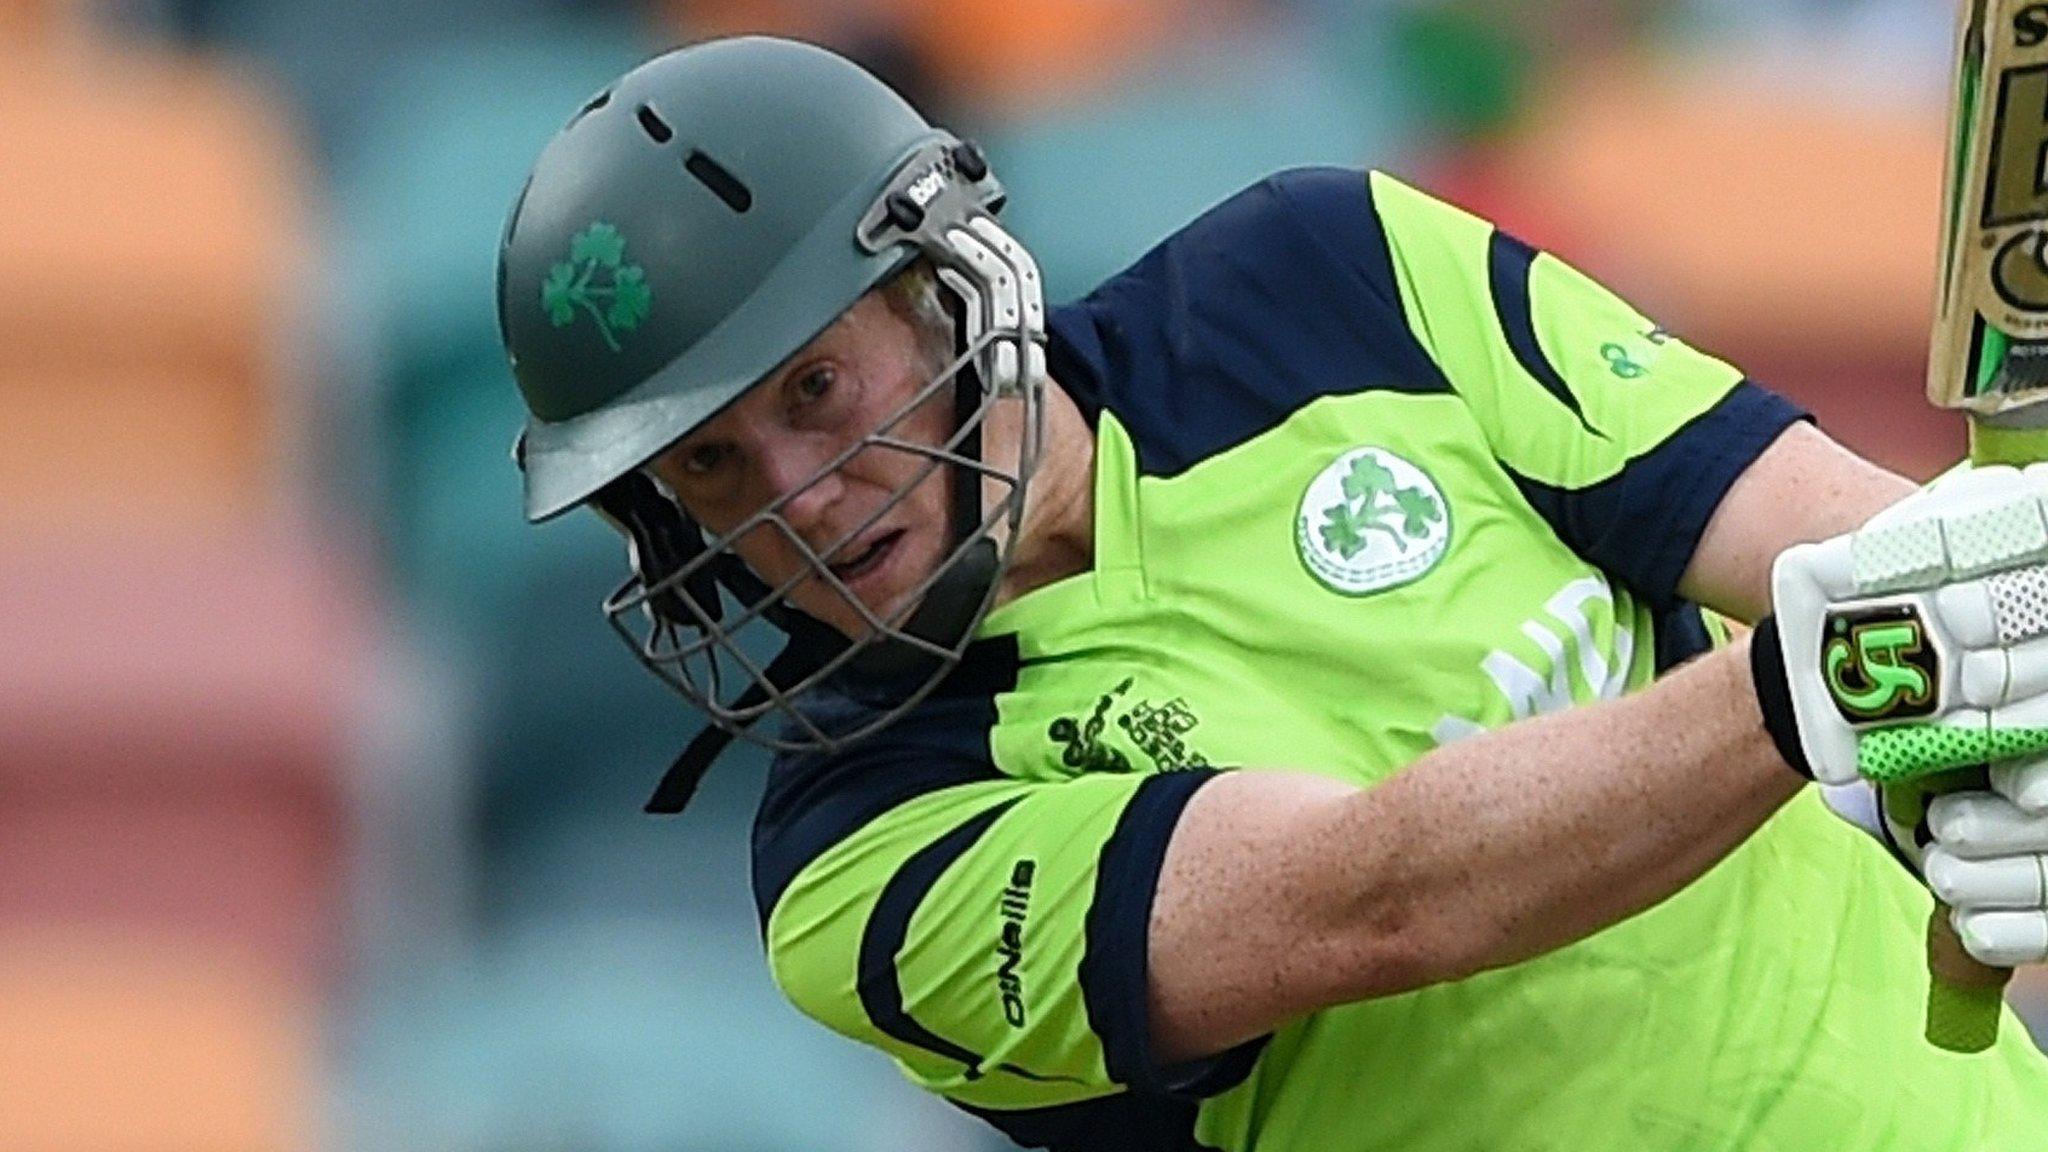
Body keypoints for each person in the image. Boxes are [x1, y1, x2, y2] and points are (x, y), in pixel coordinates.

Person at [495, 36, 2048, 1150]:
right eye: (708, 469)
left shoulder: (1331, 275)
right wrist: (1835, 687)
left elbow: (1876, 560)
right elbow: (1378, 901)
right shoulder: (860, 865)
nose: (793, 496)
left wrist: (1971, 751)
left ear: (939, 283)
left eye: (818, 387)